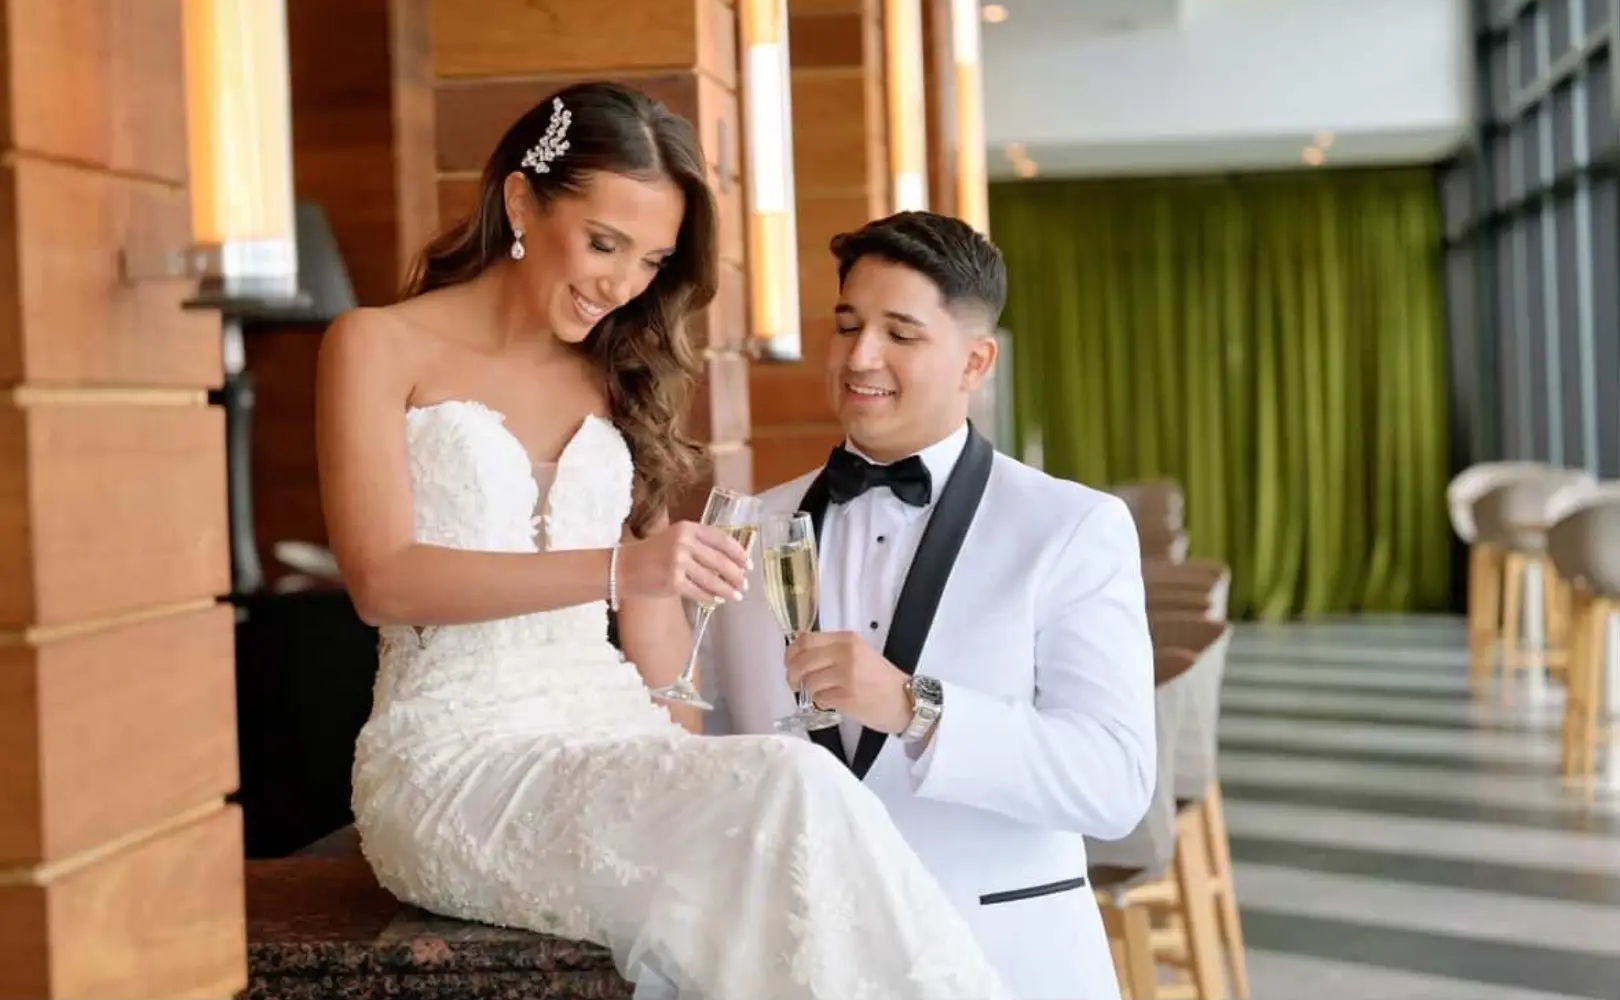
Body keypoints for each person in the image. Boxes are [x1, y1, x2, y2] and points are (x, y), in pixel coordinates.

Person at [315, 82, 1013, 1000]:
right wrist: (620, 566)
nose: (622, 285)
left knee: (785, 785)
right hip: (454, 759)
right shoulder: (374, 346)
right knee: (790, 791)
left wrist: (688, 745)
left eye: (651, 260)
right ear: (522, 202)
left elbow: (654, 624)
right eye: (604, 244)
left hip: (606, 731)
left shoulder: (615, 374)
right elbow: (382, 579)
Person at [708, 211, 1157, 1000]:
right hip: (794, 966)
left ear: (975, 361)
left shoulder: (1071, 528)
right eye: (847, 326)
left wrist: (916, 708)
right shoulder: (746, 529)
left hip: (1000, 961)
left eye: (900, 333)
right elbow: (711, 747)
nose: (860, 357)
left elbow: (1114, 785)